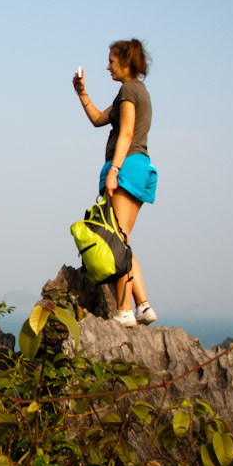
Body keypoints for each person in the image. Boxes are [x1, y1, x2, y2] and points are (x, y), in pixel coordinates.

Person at [72, 39, 159, 328]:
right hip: (140, 167)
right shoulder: (135, 92)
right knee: (123, 240)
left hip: (127, 165)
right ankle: (143, 305)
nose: (107, 66)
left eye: (111, 60)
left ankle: (124, 310)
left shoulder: (129, 90)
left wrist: (114, 171)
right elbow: (98, 119)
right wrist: (82, 93)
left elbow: (127, 133)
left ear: (126, 61)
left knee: (117, 243)